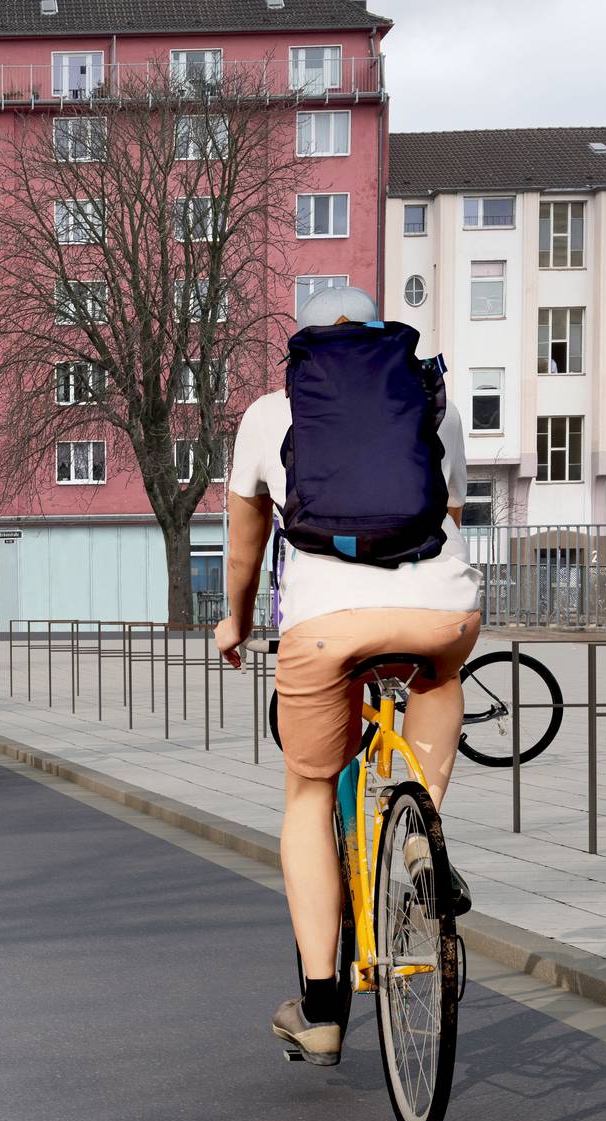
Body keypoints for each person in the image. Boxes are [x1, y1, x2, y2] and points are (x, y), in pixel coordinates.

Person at [214, 286, 481, 1067]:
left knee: (306, 789)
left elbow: (244, 546)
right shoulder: (434, 403)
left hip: (326, 626)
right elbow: (450, 520)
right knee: (435, 678)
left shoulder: (271, 412)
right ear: (377, 337)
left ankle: (323, 1007)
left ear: (309, 345)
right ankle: (418, 835)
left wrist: (236, 620)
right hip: (441, 612)